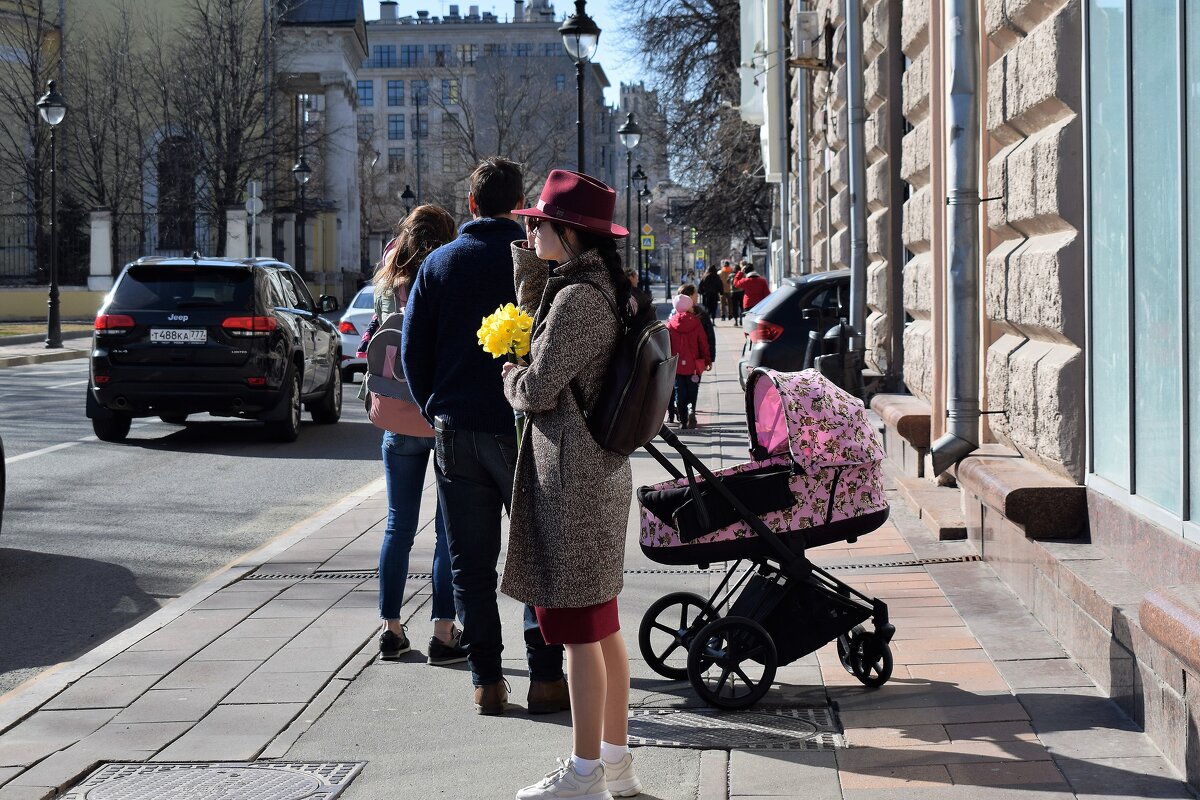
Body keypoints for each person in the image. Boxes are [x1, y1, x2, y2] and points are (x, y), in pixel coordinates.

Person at [401, 157, 567, 716]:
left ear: (470, 204)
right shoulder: (534, 262)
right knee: (536, 554)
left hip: (456, 431)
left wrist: (435, 408)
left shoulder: (439, 264)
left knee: (471, 564)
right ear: (519, 204)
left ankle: (487, 683)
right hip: (520, 429)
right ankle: (545, 678)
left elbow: (411, 353)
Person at [500, 170, 643, 800]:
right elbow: (544, 324)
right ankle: (615, 766)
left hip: (576, 481)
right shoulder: (598, 288)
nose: (530, 231)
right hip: (595, 473)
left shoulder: (579, 301)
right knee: (604, 629)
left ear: (569, 231)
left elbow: (539, 388)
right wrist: (531, 271)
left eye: (538, 223)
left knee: (583, 635)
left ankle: (585, 776)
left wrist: (508, 374)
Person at [357, 205, 467, 665]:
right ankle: (443, 632)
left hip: (395, 419)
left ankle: (391, 628)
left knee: (398, 524)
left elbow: (374, 339)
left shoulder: (389, 278)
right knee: (446, 530)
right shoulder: (447, 274)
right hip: (439, 416)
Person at [667, 293, 710, 430]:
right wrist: (707, 360)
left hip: (677, 365)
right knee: (692, 390)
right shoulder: (696, 322)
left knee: (679, 391)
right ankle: (691, 410)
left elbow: (666, 345)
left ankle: (683, 421)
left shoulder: (671, 324)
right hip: (693, 366)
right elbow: (703, 343)